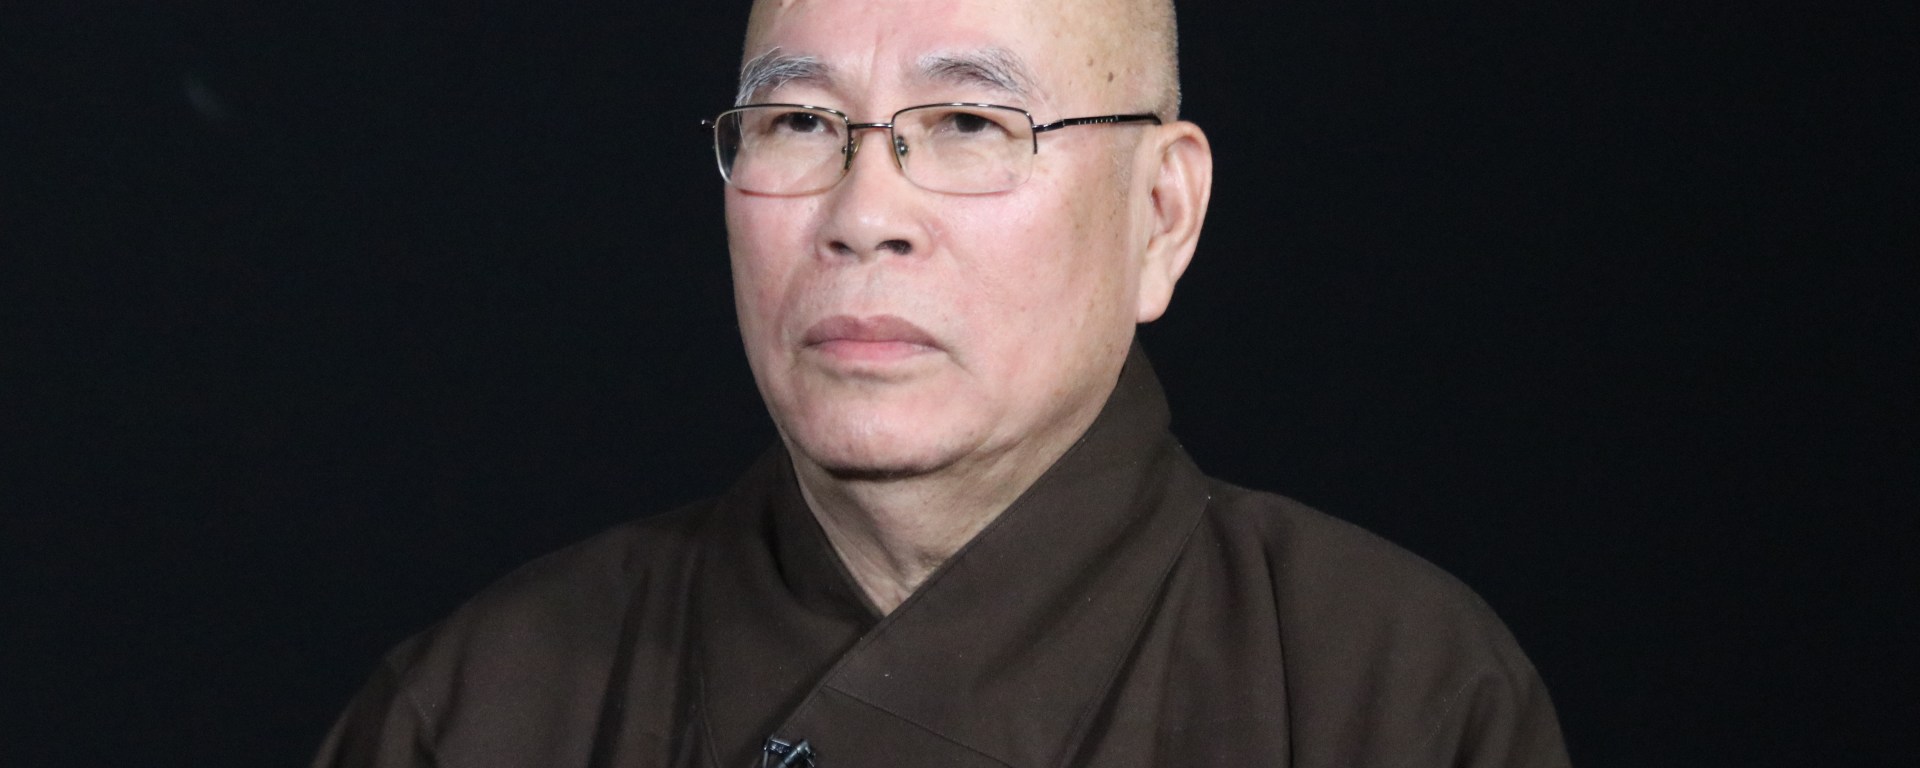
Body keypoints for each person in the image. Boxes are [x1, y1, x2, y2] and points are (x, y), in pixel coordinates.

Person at [313, 0, 1570, 765]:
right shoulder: (485, 707)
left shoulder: (1386, 694)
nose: (865, 215)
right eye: (800, 124)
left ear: (1162, 213)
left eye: (969, 124)